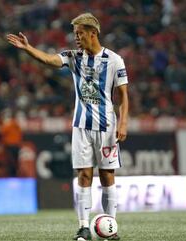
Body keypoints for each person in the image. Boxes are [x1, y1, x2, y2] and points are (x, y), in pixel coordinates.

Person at [7, 12, 128, 241]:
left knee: (107, 176)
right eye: (75, 34)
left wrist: (123, 122)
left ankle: (111, 227)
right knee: (83, 175)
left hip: (107, 128)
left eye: (80, 33)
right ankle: (83, 228)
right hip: (81, 126)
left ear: (93, 34)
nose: (76, 38)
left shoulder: (114, 60)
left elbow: (123, 95)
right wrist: (28, 49)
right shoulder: (74, 57)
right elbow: (50, 61)